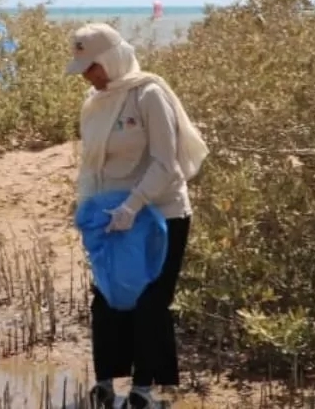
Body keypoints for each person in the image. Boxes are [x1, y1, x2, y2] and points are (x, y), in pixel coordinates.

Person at [64, 23, 209, 409]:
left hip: (160, 214)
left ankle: (144, 389)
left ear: (112, 59)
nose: (88, 77)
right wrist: (88, 209)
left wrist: (134, 205)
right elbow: (90, 165)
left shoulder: (148, 94)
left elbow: (166, 164)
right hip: (111, 217)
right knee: (107, 297)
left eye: (92, 67)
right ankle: (106, 384)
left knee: (149, 298)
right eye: (83, 69)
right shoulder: (95, 102)